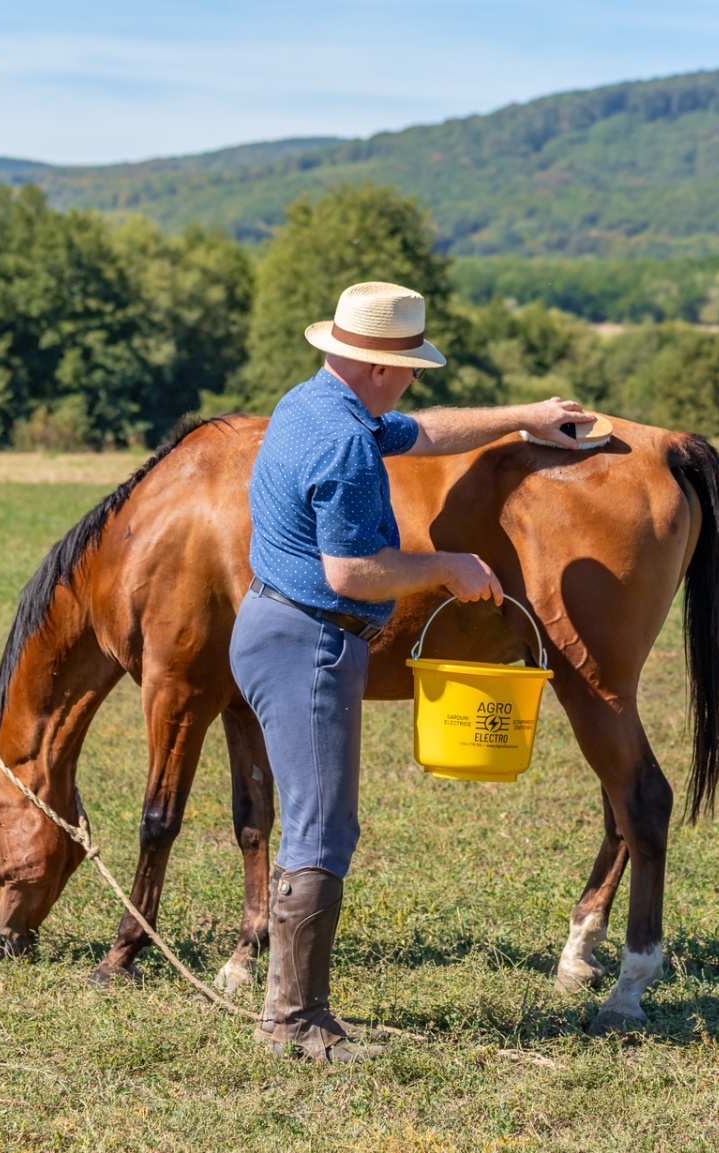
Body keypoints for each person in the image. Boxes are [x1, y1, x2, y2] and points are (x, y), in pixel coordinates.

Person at [229, 280, 589, 1062]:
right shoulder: (345, 444)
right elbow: (353, 572)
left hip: (271, 627)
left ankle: (286, 1008)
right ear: (383, 370)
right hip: (309, 641)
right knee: (322, 826)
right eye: (411, 368)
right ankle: (296, 1024)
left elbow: (423, 434)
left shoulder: (311, 404)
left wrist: (523, 417)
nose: (415, 381)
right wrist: (450, 567)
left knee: (315, 820)